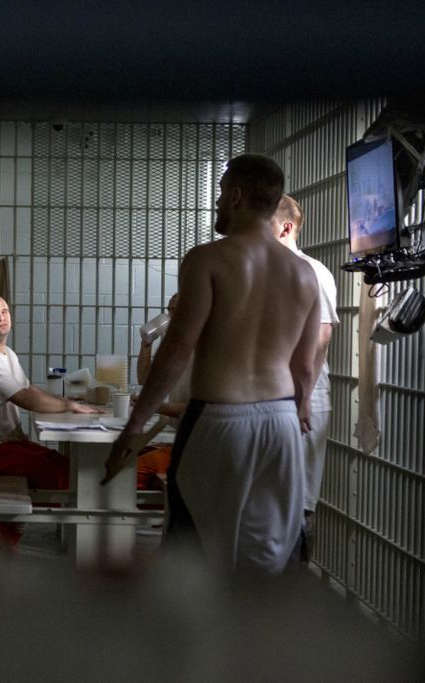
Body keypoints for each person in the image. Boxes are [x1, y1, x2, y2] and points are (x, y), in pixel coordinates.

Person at [105, 154, 321, 577]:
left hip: (219, 420)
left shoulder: (207, 260)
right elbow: (306, 366)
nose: (219, 203)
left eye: (222, 194)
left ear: (236, 196)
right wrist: (302, 406)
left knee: (194, 551)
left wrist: (135, 425)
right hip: (281, 422)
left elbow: (178, 348)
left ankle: (201, 639)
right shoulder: (304, 273)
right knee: (267, 558)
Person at [0, 294, 103, 554]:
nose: (1, 317)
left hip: (1, 445)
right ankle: (19, 528)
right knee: (57, 470)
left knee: (57, 463)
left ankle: (11, 528)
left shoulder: (7, 354)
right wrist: (70, 406)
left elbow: (28, 389)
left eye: (5, 311)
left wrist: (64, 399)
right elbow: (25, 398)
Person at [272, 194, 340, 561]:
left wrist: (301, 397)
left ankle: (290, 583)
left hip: (303, 395)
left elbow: (322, 335)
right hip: (279, 394)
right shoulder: (269, 269)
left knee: (296, 503)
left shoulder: (312, 270)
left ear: (285, 227)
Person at [135, 293, 192, 490]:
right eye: (169, 310)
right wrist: (146, 343)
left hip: (193, 445)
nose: (171, 316)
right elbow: (144, 378)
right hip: (176, 438)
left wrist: (154, 406)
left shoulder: (205, 349)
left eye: (178, 310)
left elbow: (196, 409)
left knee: (128, 469)